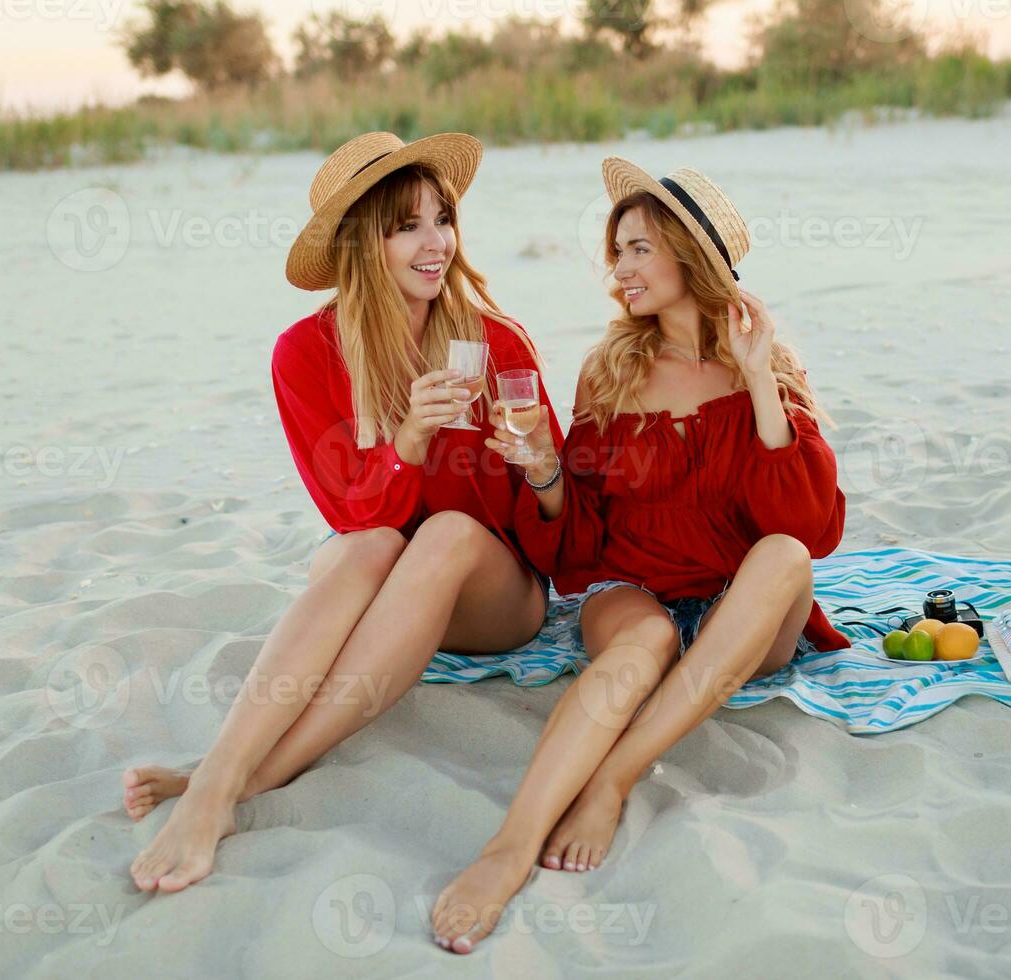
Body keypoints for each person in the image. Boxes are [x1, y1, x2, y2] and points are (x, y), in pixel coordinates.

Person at [124, 132, 564, 894]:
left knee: (449, 533)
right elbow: (350, 512)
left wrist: (543, 469)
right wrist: (410, 441)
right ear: (366, 244)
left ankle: (241, 785)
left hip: (496, 593)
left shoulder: (494, 341)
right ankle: (219, 775)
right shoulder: (305, 351)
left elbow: (561, 531)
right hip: (387, 569)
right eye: (407, 227)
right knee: (363, 550)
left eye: (443, 219)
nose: (436, 245)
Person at [430, 158, 847, 953]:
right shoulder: (609, 370)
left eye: (639, 249)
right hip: (636, 589)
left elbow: (808, 524)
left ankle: (613, 781)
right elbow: (581, 537)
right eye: (616, 250)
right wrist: (545, 470)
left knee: (788, 553)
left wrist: (759, 382)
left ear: (692, 255)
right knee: (643, 641)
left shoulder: (769, 368)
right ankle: (509, 847)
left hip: (740, 611)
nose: (619, 269)